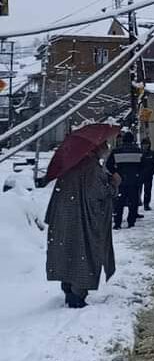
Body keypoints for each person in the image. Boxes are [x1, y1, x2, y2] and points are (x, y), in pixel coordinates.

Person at [45, 143, 119, 308]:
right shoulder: (91, 167)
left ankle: (68, 289)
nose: (106, 150)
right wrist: (114, 184)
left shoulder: (72, 163)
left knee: (67, 251)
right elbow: (100, 193)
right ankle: (78, 295)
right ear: (97, 149)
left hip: (64, 217)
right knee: (84, 252)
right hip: (82, 218)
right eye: (104, 147)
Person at [106, 132, 143, 229]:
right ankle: (131, 221)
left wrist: (115, 173)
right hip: (134, 181)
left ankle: (117, 222)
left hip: (120, 181)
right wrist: (139, 176)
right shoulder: (138, 151)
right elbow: (143, 166)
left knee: (119, 203)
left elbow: (109, 165)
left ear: (123, 140)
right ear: (132, 140)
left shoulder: (116, 151)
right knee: (133, 202)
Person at [139, 137, 154, 211]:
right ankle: (138, 202)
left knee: (147, 191)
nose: (145, 146)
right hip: (139, 175)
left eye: (146, 144)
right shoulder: (138, 153)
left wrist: (152, 172)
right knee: (138, 190)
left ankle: (146, 204)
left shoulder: (152, 153)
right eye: (144, 144)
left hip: (148, 175)